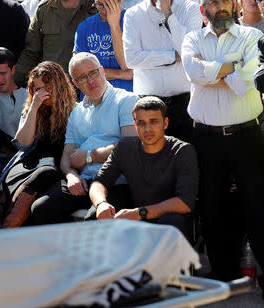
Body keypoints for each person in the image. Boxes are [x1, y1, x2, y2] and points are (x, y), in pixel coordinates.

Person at [181, 0, 264, 283]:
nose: (220, 8)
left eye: (225, 1)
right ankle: (222, 273)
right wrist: (230, 68)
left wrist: (209, 73)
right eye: (212, 2)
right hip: (206, 138)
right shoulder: (192, 38)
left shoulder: (253, 36)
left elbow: (248, 82)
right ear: (204, 9)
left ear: (235, 4)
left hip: (247, 137)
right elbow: (191, 73)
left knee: (258, 206)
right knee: (212, 208)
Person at [29, 53, 138, 224]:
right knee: (41, 209)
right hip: (83, 181)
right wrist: (71, 175)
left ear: (102, 71)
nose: (90, 80)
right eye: (82, 78)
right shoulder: (77, 112)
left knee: (94, 220)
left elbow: (130, 147)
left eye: (93, 73)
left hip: (115, 182)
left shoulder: (126, 100)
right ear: (75, 83)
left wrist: (90, 156)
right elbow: (67, 156)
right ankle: (67, 250)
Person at [88, 97, 198, 237]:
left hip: (171, 223)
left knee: (171, 221)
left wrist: (140, 213)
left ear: (165, 123)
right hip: (137, 219)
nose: (147, 129)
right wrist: (101, 203)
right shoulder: (125, 147)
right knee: (96, 215)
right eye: (141, 123)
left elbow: (185, 202)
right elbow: (99, 182)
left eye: (154, 122)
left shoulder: (183, 150)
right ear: (135, 125)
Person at [0, 61, 76, 227]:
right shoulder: (31, 109)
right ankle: (8, 229)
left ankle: (6, 228)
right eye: (36, 88)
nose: (41, 93)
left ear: (58, 87)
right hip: (28, 166)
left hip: (57, 168)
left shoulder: (74, 111)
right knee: (39, 178)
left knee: (46, 173)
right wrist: (34, 107)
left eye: (45, 88)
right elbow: (23, 144)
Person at [122, 0, 202, 142]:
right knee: (150, 160)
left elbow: (188, 52)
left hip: (185, 103)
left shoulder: (191, 8)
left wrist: (168, 14)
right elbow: (132, 59)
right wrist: (172, 56)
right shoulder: (132, 14)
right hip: (147, 103)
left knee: (185, 157)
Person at [13, 0, 95, 87]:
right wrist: (13, 81)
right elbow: (31, 53)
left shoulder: (97, 6)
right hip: (53, 89)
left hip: (89, 86)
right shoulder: (44, 9)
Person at [74, 0, 133, 96]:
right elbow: (80, 71)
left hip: (125, 96)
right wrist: (120, 74)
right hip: (94, 99)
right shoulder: (85, 26)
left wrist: (114, 25)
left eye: (110, 4)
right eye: (100, 5)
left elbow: (126, 65)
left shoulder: (132, 21)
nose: (105, 10)